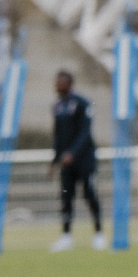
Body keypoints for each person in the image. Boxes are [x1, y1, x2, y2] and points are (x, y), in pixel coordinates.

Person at [48, 70, 102, 252]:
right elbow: (58, 137)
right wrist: (54, 160)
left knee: (89, 194)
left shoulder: (82, 103)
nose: (56, 85)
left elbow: (85, 133)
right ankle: (66, 237)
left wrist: (72, 152)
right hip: (66, 163)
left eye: (60, 82)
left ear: (69, 83)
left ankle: (98, 234)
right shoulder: (57, 106)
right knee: (66, 197)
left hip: (84, 160)